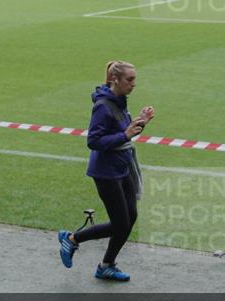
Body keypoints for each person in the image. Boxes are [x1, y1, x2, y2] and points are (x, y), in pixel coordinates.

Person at [58, 60, 154, 282]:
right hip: (106, 172)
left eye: (134, 79)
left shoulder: (120, 101)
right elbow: (94, 140)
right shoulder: (103, 106)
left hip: (122, 166)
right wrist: (125, 134)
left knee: (130, 217)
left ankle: (106, 265)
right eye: (130, 80)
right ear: (115, 80)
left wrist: (141, 123)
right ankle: (72, 239)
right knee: (120, 223)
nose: (134, 84)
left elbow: (125, 133)